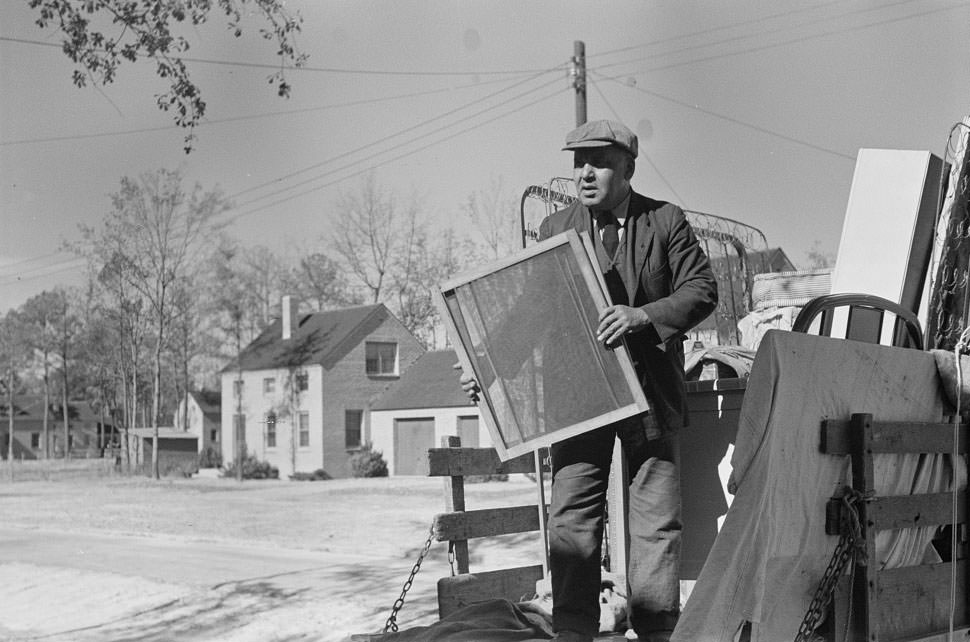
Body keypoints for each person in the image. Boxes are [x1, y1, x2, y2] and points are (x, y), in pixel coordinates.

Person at [460, 119, 717, 642]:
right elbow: (532, 311)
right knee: (571, 518)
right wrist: (488, 368)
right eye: (578, 163)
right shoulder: (556, 229)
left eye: (597, 162)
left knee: (655, 521)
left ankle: (657, 629)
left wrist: (643, 316)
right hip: (580, 397)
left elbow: (702, 289)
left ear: (627, 168)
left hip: (650, 397)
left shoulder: (665, 221)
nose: (584, 173)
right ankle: (573, 630)